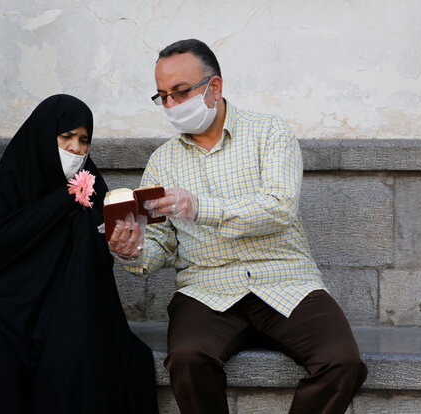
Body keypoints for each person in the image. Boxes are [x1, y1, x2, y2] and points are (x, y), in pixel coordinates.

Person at [109, 39, 367, 414]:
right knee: (187, 359)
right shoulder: (161, 162)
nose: (171, 106)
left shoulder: (270, 133)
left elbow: (279, 208)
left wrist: (199, 208)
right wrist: (130, 251)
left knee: (342, 362)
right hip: (206, 289)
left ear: (214, 87)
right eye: (162, 96)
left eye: (181, 93)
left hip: (285, 279)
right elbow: (161, 246)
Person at [0, 94, 158, 413]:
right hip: (3, 305)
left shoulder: (89, 186)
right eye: (66, 137)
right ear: (45, 136)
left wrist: (122, 242)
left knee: (80, 362)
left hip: (70, 307)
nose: (76, 148)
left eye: (84, 141)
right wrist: (62, 201)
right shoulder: (16, 177)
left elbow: (98, 262)